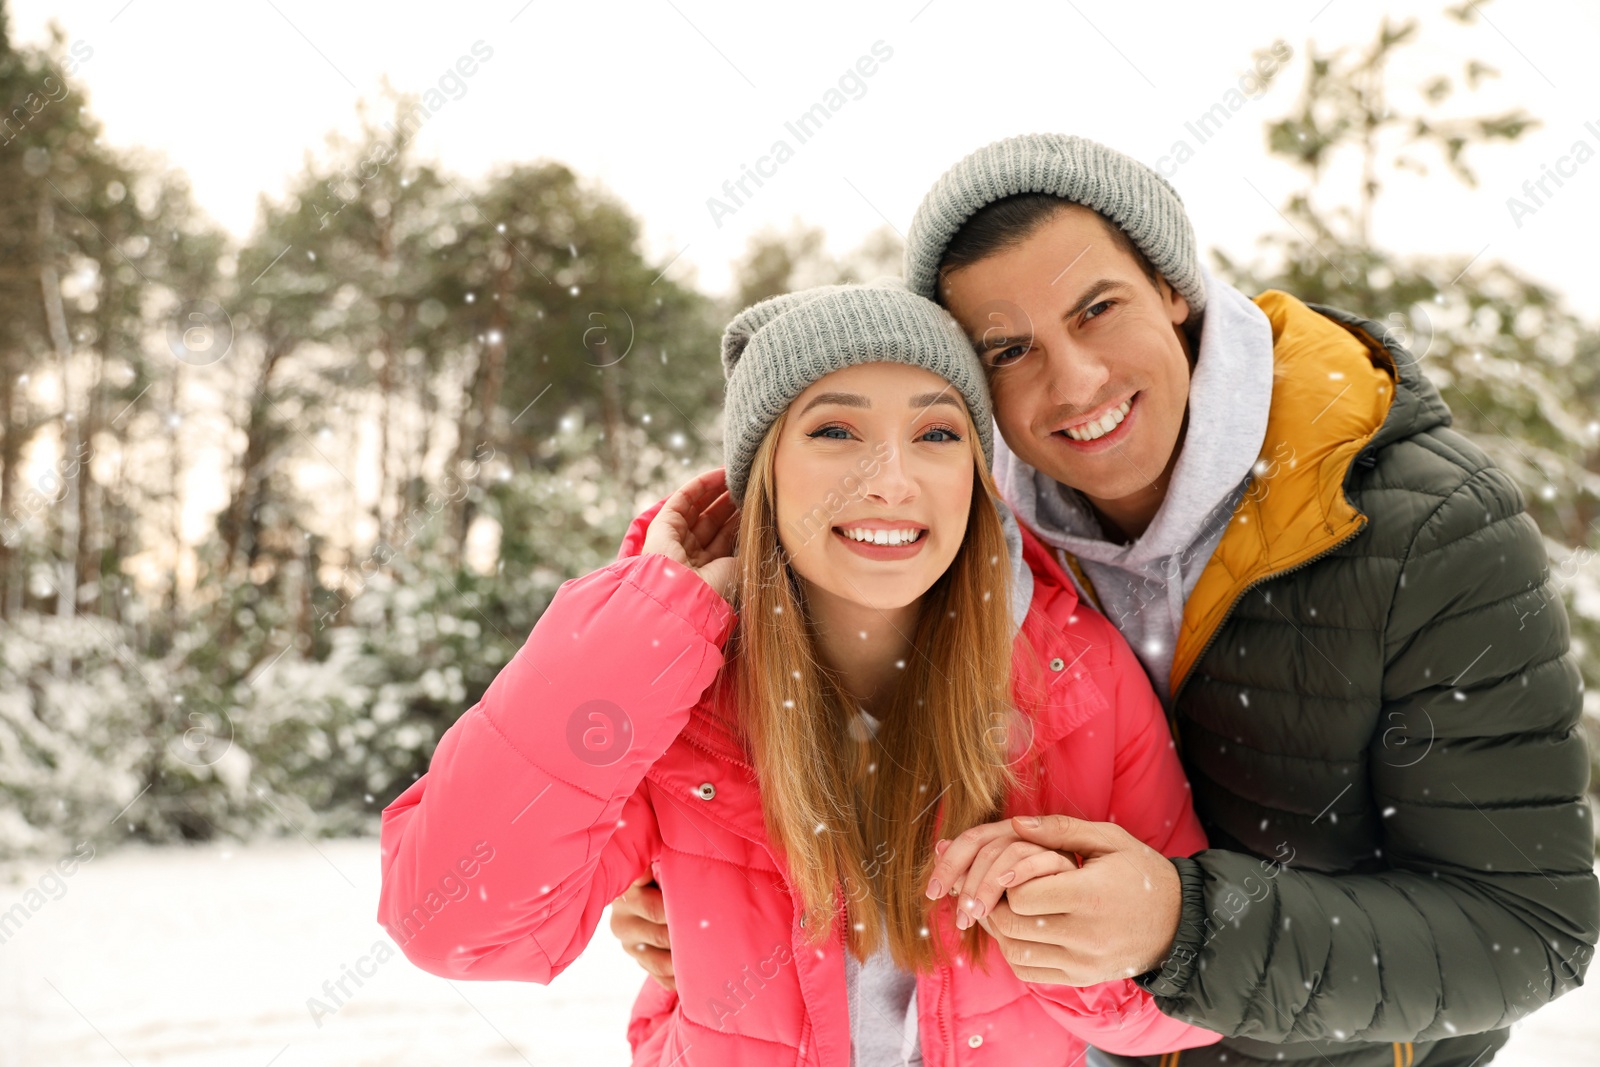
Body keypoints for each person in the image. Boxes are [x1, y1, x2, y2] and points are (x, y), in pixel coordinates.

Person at [611, 135, 1599, 1067]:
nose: (1072, 380)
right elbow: (849, 748)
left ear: (1174, 287)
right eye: (1007, 350)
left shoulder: (1420, 529)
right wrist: (705, 893)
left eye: (1096, 309)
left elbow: (1527, 930)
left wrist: (1183, 923)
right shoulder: (961, 533)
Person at [376, 280, 1223, 1065]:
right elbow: (453, 926)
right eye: (834, 431)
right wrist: (646, 624)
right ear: (761, 479)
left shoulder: (1079, 678)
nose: (891, 479)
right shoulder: (674, 689)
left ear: (976, 475)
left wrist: (1082, 938)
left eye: (936, 434)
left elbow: (1191, 1004)